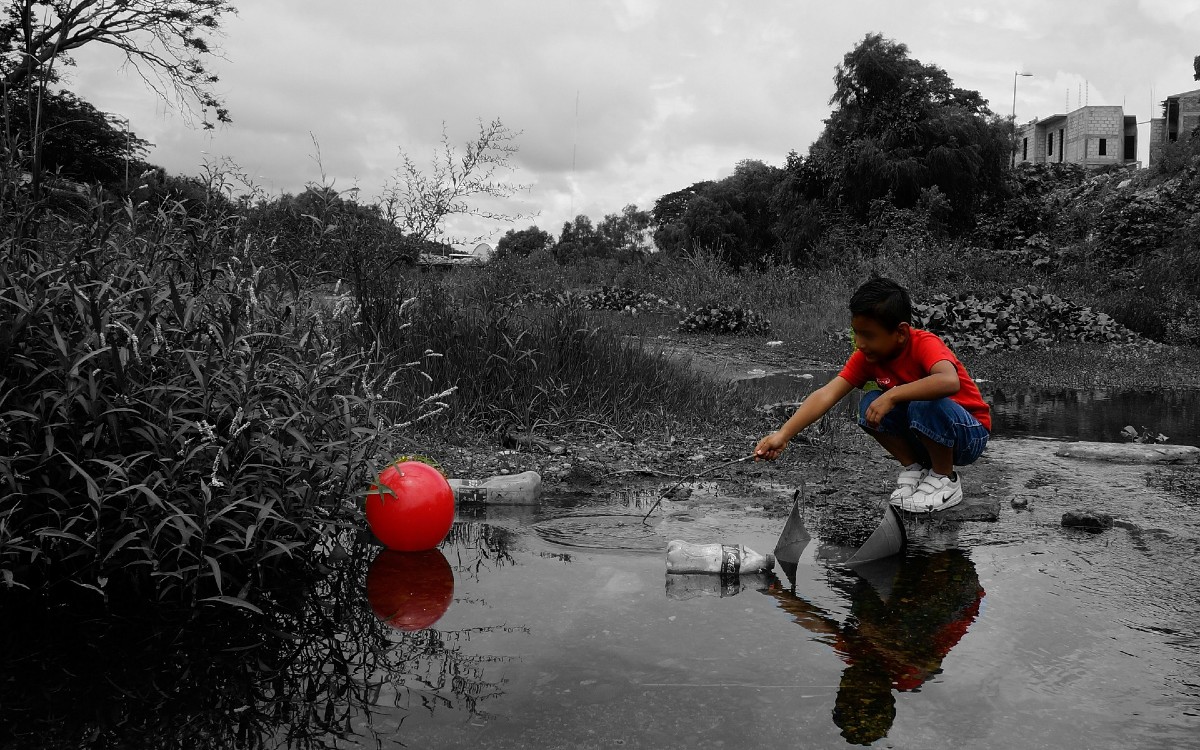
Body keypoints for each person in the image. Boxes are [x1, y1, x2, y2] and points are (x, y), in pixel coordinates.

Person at [755, 277, 991, 512]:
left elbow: (948, 381)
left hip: (969, 435)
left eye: (868, 335)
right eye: (856, 333)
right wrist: (783, 434)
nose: (859, 343)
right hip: (927, 434)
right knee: (868, 404)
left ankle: (945, 479)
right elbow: (827, 394)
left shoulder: (924, 344)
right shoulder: (869, 358)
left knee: (917, 402)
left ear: (900, 332)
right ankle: (916, 469)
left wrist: (892, 395)